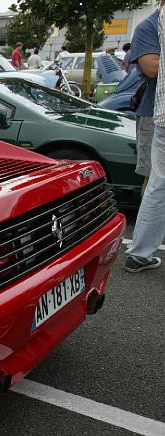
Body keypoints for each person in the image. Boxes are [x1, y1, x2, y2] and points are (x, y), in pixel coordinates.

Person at [126, 4, 165, 273]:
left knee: (157, 182)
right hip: (153, 113)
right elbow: (151, 67)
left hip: (158, 113)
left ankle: (142, 250)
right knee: (152, 180)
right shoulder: (148, 26)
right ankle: (141, 250)